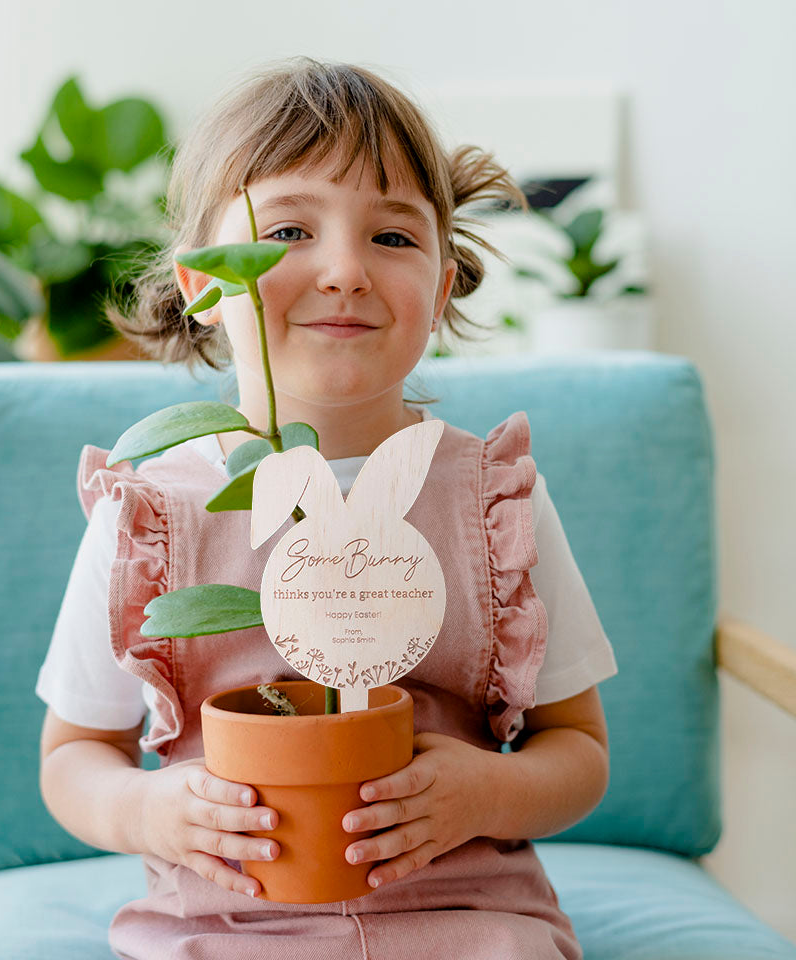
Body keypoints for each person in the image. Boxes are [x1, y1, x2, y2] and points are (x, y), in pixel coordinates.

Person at [36, 57, 618, 960]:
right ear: (202, 285)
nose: (344, 269)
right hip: (219, 925)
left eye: (393, 238)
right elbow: (72, 757)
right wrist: (148, 809)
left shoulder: (495, 499)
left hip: (468, 923)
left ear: (445, 284)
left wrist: (487, 793)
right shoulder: (148, 513)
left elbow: (577, 751)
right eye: (289, 231)